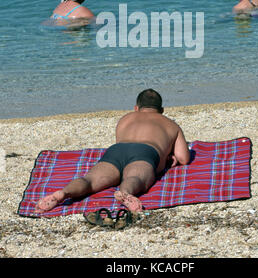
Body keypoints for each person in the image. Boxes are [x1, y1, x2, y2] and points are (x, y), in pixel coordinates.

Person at [34, 89, 191, 214]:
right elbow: (184, 158)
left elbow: (122, 145)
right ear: (161, 110)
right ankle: (126, 192)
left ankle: (64, 192)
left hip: (116, 151)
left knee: (89, 181)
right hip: (145, 152)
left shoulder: (125, 118)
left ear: (136, 108)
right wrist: (168, 158)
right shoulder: (170, 124)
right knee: (135, 177)